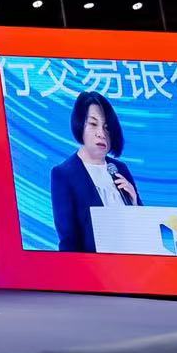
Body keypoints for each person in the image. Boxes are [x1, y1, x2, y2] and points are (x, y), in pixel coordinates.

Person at [48, 91, 141, 252]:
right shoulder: (64, 174)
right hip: (93, 266)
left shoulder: (120, 169)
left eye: (107, 128)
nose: (101, 134)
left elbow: (143, 231)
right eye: (93, 124)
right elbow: (68, 242)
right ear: (80, 126)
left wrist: (134, 204)